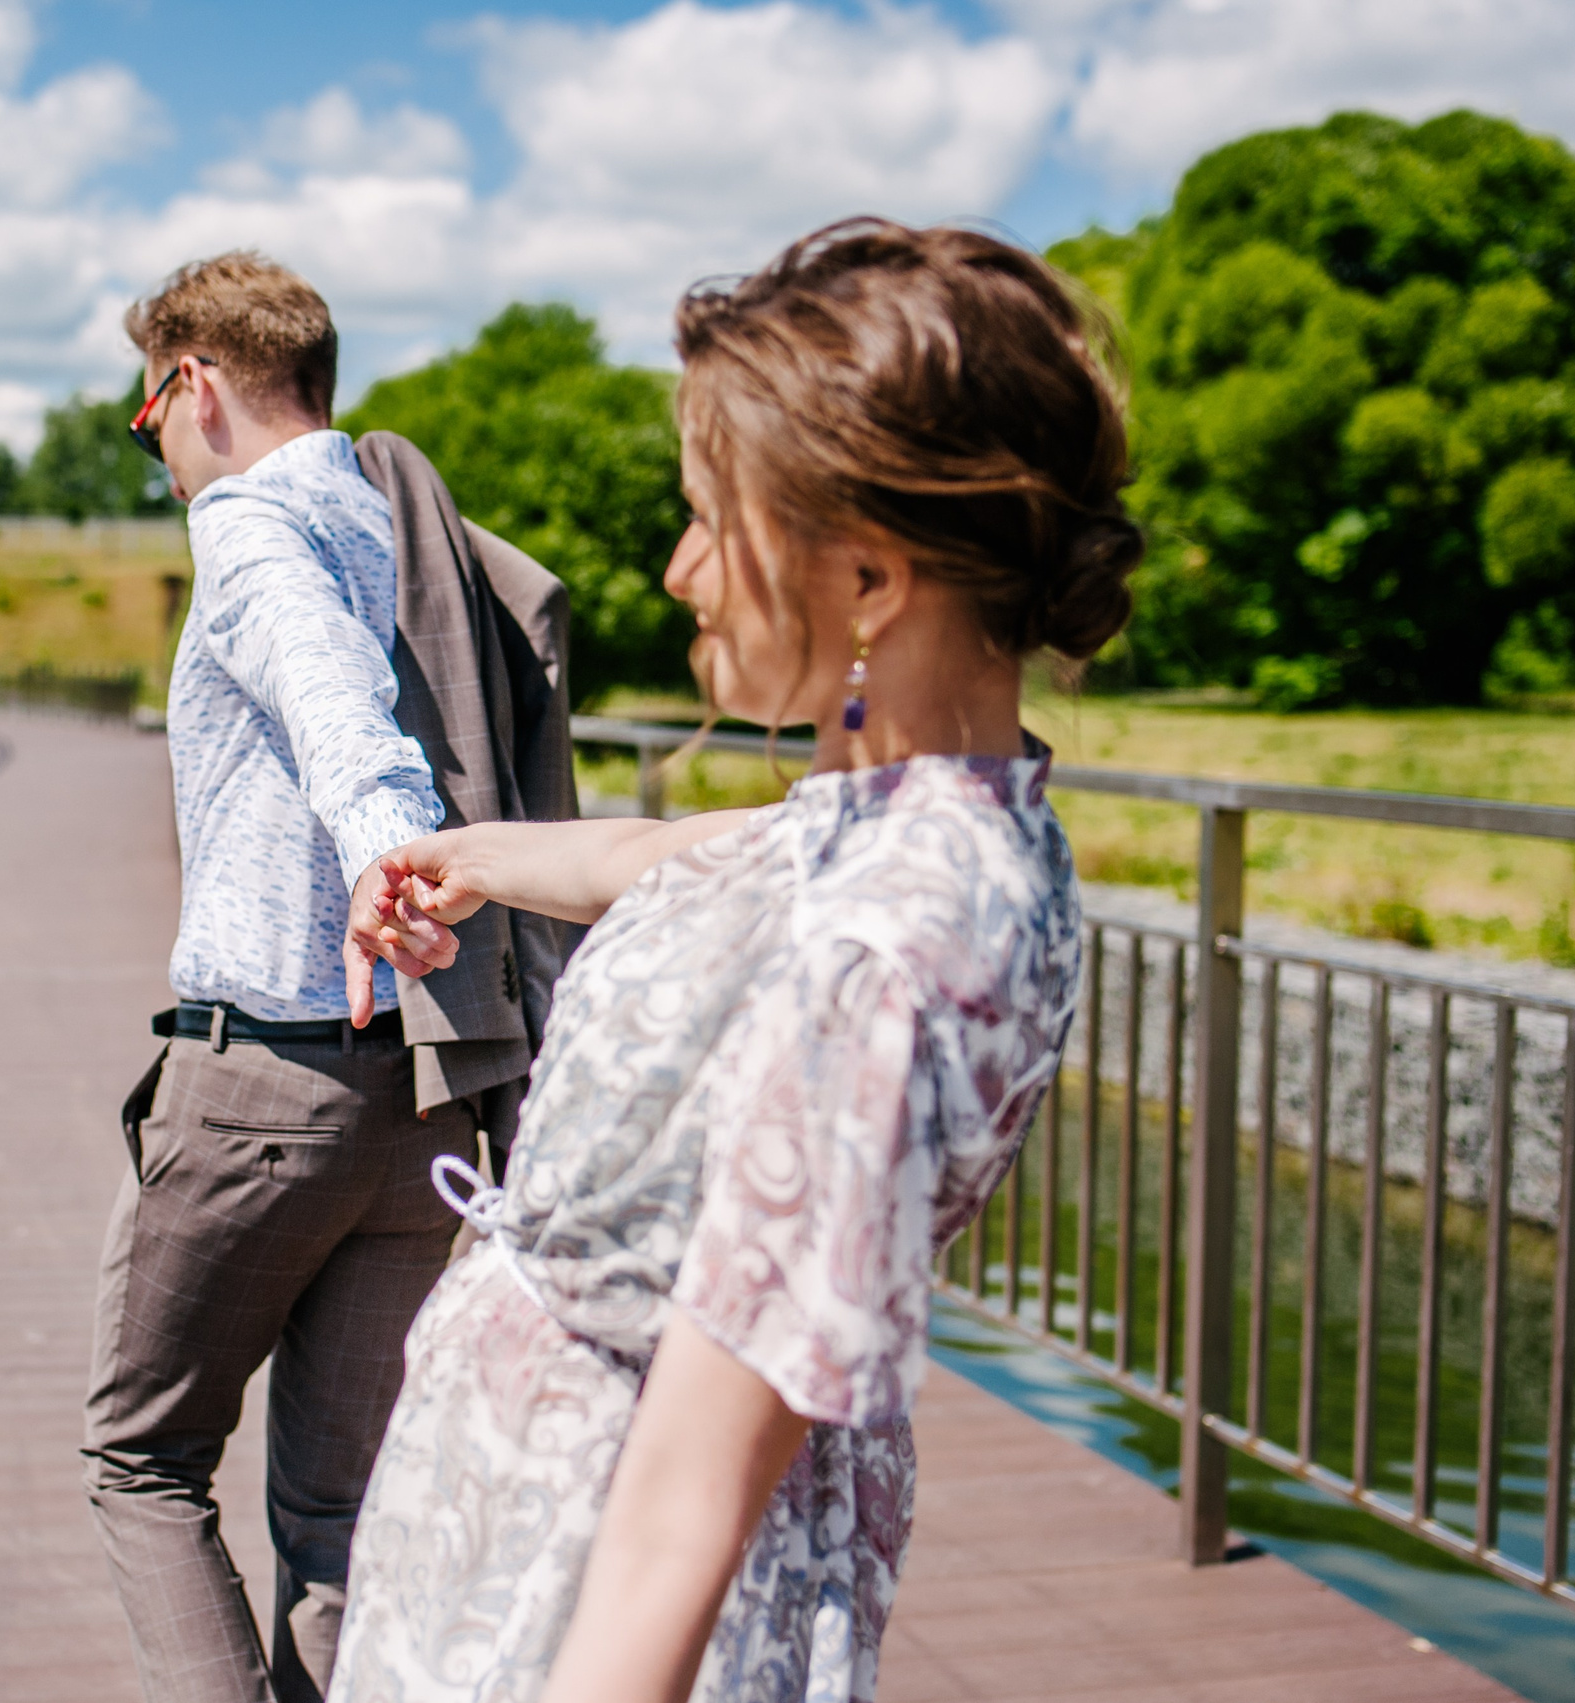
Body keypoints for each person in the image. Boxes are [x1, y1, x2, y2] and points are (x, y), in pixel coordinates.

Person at [329, 218, 1143, 1703]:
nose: (677, 567)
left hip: (573, 1597)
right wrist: (469, 858)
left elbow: (691, 1500)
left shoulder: (891, 947)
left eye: (713, 519)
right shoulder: (906, 812)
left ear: (872, 584)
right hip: (518, 1534)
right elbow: (683, 863)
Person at [81, 251, 572, 1703]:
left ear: (198, 385)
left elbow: (325, 693)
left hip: (262, 1086)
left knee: (144, 1459)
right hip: (421, 1090)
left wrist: (388, 856)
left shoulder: (250, 526)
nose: (157, 450)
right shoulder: (411, 536)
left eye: (145, 414)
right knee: (338, 1519)